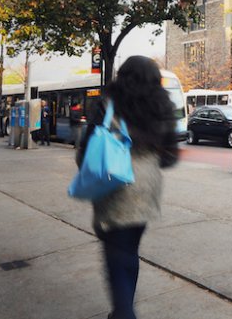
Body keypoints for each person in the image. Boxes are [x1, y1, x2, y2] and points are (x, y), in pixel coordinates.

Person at [76, 56, 179, 319]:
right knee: (129, 250)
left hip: (115, 184)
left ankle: (123, 313)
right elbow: (170, 157)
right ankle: (122, 310)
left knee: (116, 256)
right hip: (148, 187)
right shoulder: (162, 106)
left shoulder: (107, 104)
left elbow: (86, 151)